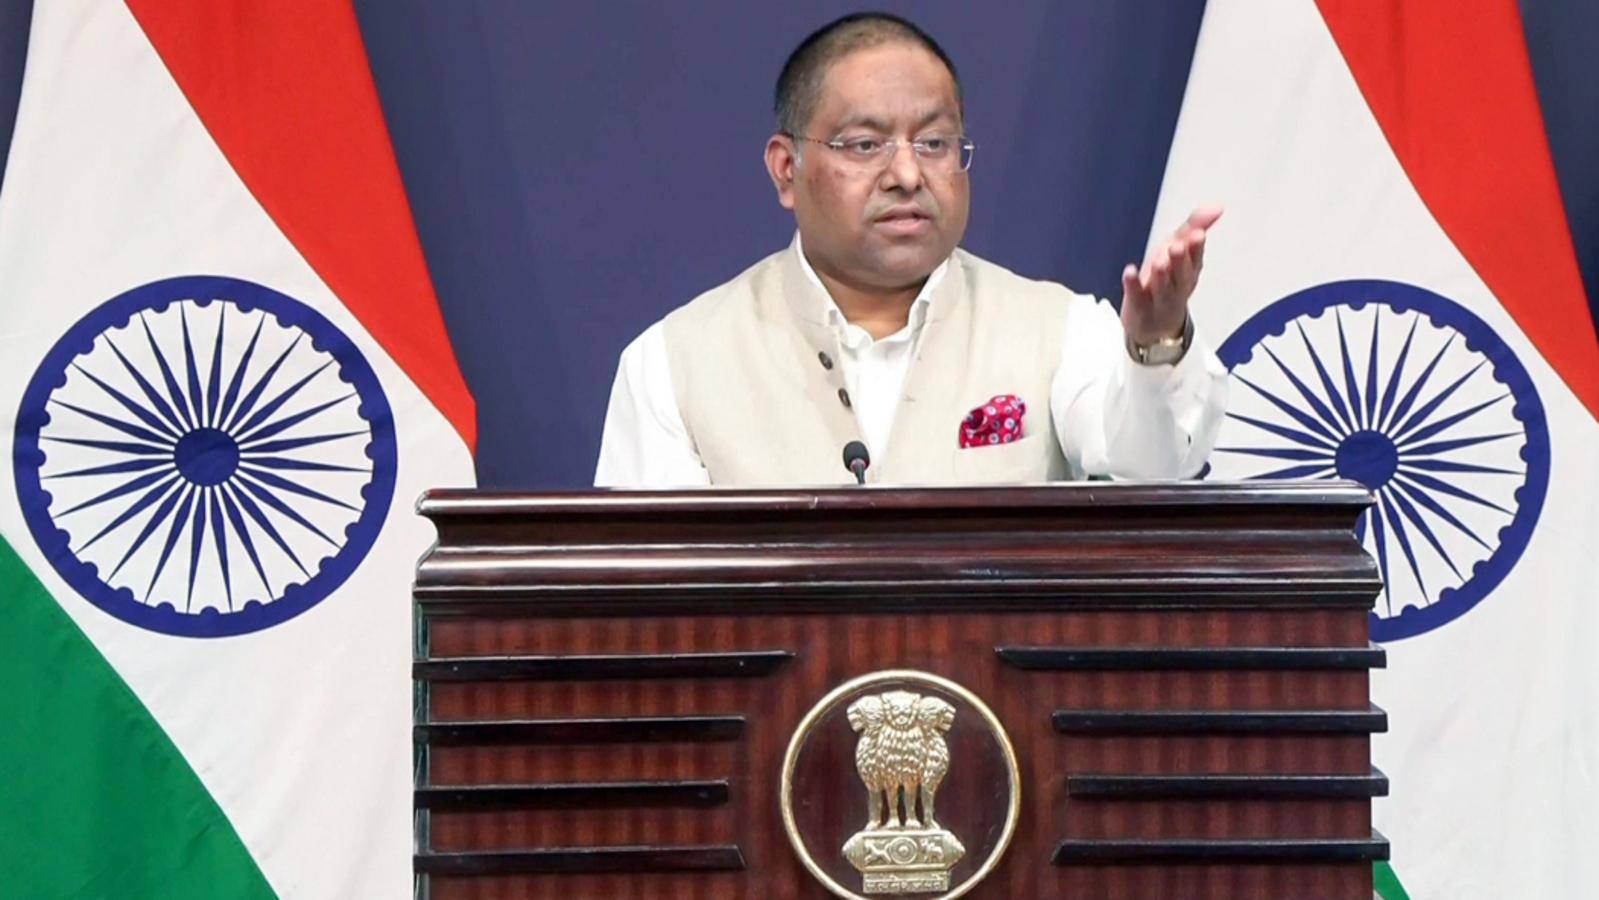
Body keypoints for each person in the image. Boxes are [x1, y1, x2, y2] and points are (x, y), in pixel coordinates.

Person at [595, 12, 1227, 487]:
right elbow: (649, 597)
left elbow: (1156, 467)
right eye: (864, 145)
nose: (906, 174)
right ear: (786, 169)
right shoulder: (673, 364)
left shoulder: (1059, 329)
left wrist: (1155, 345)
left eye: (934, 143)